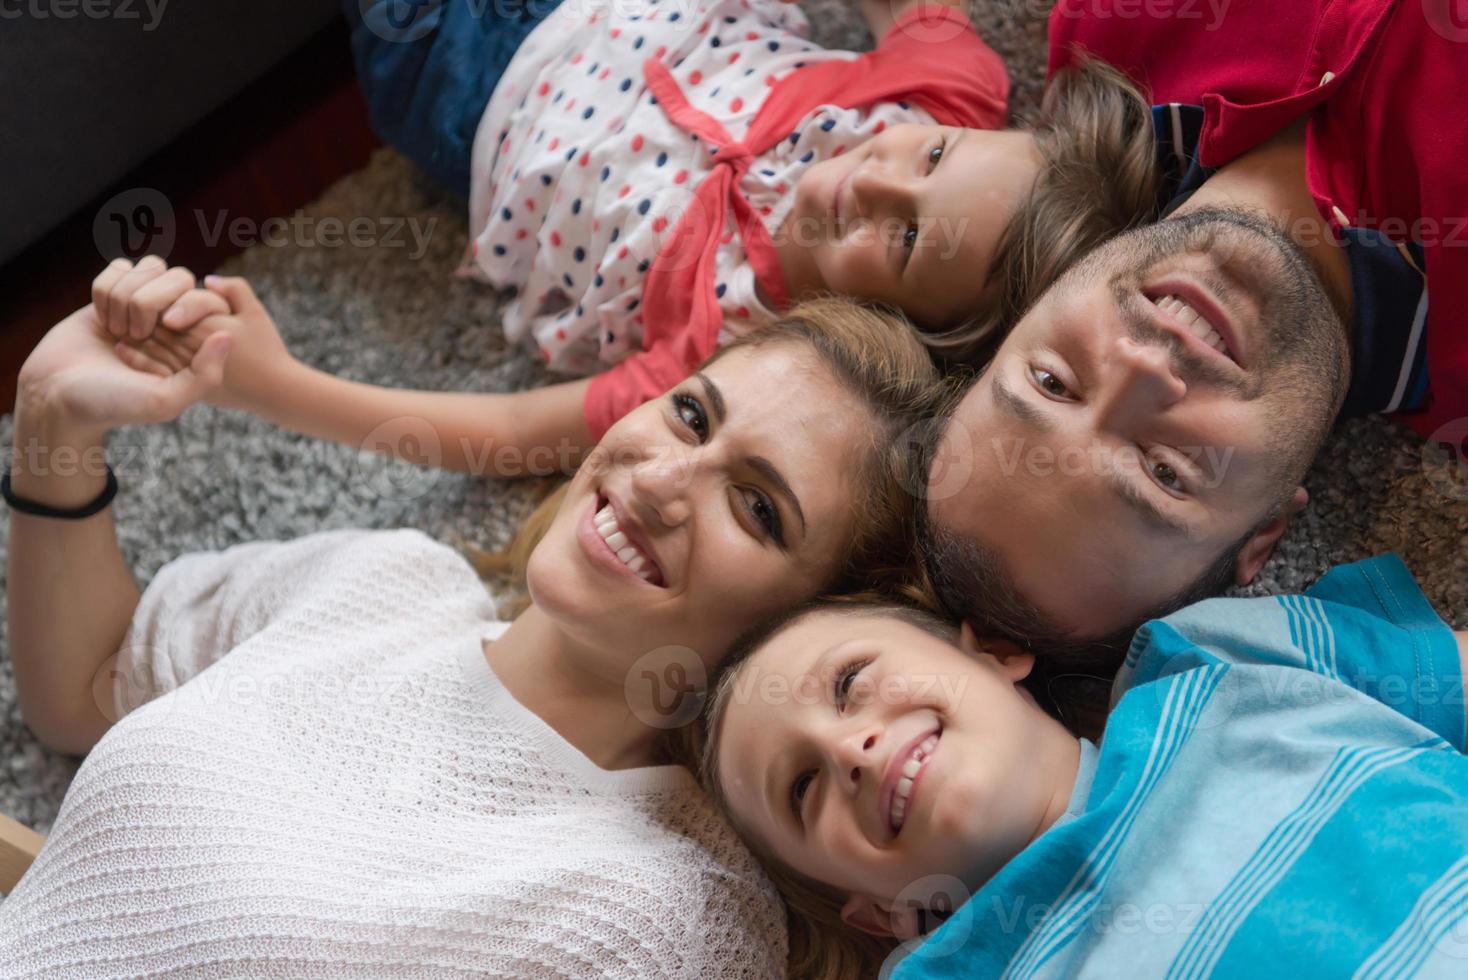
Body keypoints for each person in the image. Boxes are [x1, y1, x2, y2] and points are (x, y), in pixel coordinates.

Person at [0, 263, 944, 974]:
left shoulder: (668, 909)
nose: (658, 482)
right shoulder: (388, 581)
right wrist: (54, 422)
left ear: (809, 624)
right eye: (693, 418)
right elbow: (86, 687)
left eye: (758, 508)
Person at [209, 0, 1161, 473]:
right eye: (926, 159)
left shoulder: (748, 344)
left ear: (898, 328)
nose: (869, 179)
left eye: (902, 242)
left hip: (458, 87)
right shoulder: (945, 95)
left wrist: (273, 384)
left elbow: (511, 434)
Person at [922, 0, 1468, 653]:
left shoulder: (1105, 39)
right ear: (1265, 534)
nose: (1144, 367)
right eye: (1166, 472)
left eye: (1053, 382)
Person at [701, 560, 1468, 978]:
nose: (847, 751)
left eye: (849, 683)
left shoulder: (1207, 658)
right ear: (876, 912)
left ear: (994, 652)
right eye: (801, 790)